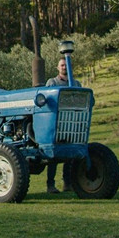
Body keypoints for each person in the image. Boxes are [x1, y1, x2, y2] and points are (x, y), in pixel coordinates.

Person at [43, 58, 78, 194]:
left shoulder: (76, 83)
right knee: (54, 156)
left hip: (72, 124)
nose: (64, 67)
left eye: (66, 65)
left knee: (70, 155)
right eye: (62, 65)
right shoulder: (52, 83)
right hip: (56, 123)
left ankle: (67, 183)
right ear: (58, 68)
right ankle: (50, 185)